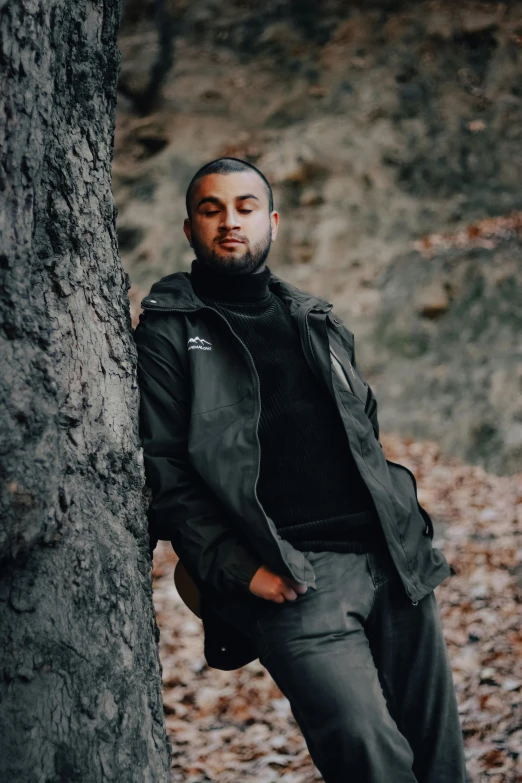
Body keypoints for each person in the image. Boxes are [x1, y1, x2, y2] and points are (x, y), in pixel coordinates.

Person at [134, 157, 468, 783]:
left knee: (439, 763)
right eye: (212, 210)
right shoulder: (170, 332)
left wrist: (409, 523)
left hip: (396, 568)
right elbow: (165, 474)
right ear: (189, 229)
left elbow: (363, 435)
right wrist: (242, 571)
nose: (230, 222)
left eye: (245, 207)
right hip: (296, 583)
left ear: (272, 222)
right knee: (373, 760)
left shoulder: (317, 319)